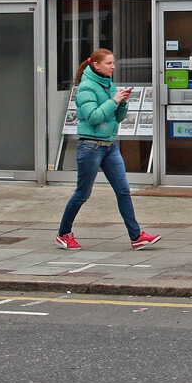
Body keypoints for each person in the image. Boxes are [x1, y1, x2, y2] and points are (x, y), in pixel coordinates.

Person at [56, 48, 160, 251]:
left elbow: (118, 118)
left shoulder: (109, 85)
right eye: (109, 63)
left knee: (123, 191)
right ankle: (63, 233)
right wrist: (114, 101)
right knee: (82, 193)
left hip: (109, 146)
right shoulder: (86, 87)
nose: (113, 66)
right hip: (90, 146)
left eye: (113, 63)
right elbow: (93, 117)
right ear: (96, 65)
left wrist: (123, 103)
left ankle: (136, 236)